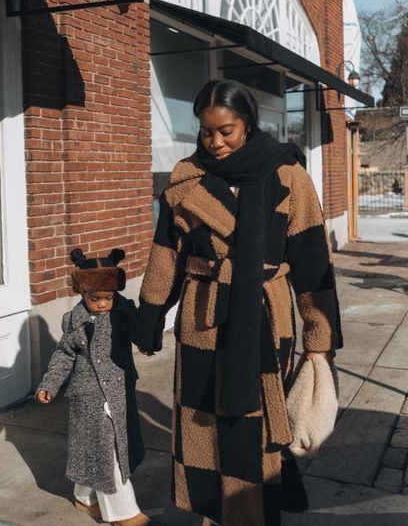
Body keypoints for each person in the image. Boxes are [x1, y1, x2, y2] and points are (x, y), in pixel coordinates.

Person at [132, 80, 342, 526]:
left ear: (247, 121)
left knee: (256, 417)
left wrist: (318, 338)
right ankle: (212, 509)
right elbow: (167, 252)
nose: (216, 141)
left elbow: (312, 264)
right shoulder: (188, 177)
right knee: (201, 415)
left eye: (225, 130)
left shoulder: (287, 174)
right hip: (202, 314)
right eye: (207, 132)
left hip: (267, 314)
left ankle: (251, 509)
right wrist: (150, 313)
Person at [36, 248, 150, 526]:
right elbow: (64, 354)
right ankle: (124, 513)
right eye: (94, 298)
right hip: (89, 395)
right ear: (81, 292)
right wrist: (49, 384)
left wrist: (148, 341)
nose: (101, 304)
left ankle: (85, 498)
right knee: (106, 451)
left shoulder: (124, 313)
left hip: (119, 390)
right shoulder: (74, 321)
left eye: (108, 298)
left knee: (102, 448)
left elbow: (141, 332)